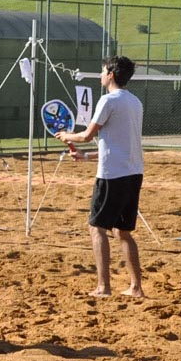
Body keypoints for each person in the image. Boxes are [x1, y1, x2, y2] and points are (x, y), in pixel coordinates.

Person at [56, 55, 144, 298]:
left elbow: (86, 135)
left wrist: (67, 136)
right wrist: (87, 158)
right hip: (133, 173)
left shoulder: (108, 100)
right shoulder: (135, 102)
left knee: (97, 228)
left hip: (112, 176)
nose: (101, 75)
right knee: (122, 232)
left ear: (111, 74)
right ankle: (136, 287)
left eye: (103, 71)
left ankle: (103, 287)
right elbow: (118, 144)